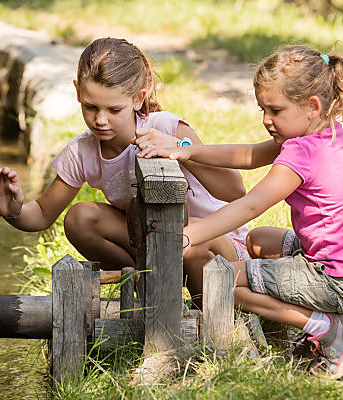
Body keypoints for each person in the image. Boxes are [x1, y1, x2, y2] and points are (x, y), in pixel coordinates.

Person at [0, 37, 249, 308]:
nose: (100, 120)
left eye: (114, 110)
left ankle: (209, 308)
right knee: (80, 218)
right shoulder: (83, 152)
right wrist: (13, 210)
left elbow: (234, 190)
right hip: (161, 244)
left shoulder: (166, 127)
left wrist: (180, 148)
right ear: (78, 92)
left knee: (185, 241)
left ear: (138, 99)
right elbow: (43, 214)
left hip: (216, 245)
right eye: (90, 107)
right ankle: (149, 287)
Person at [138, 44, 343, 378]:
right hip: (333, 262)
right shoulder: (328, 131)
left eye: (274, 110)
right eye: (262, 109)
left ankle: (326, 327)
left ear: (312, 106)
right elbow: (246, 155)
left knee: (221, 282)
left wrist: (189, 236)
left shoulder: (300, 153)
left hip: (332, 279)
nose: (266, 120)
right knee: (260, 241)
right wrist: (186, 151)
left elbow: (251, 204)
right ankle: (293, 313)